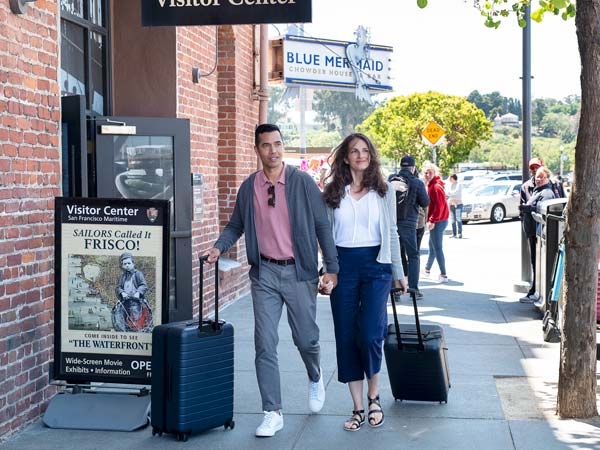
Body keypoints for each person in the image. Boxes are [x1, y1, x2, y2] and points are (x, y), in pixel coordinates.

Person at [204, 123, 339, 437]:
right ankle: (272, 411)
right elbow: (235, 225)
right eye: (266, 145)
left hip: (299, 271)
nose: (273, 150)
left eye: (278, 144)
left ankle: (315, 375)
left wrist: (331, 269)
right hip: (264, 273)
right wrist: (218, 247)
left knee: (306, 339)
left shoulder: (303, 182)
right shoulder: (249, 186)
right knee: (264, 342)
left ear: (283, 146)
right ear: (257, 149)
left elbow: (322, 227)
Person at [320, 133, 407, 431]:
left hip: (376, 267)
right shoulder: (332, 193)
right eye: (354, 151)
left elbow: (392, 232)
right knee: (346, 336)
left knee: (370, 334)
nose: (360, 155)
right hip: (342, 267)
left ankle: (374, 396)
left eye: (365, 151)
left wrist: (399, 273)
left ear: (371, 157)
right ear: (345, 157)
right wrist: (326, 271)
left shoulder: (384, 192)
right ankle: (358, 407)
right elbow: (325, 237)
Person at [388, 155, 430, 299]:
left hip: (392, 223)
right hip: (409, 225)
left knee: (396, 256)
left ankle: (396, 291)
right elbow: (425, 202)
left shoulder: (391, 179)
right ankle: (414, 289)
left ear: (401, 166)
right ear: (412, 168)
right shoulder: (417, 182)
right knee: (413, 255)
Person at [518, 166, 557, 303]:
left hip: (539, 235)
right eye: (537, 177)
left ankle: (536, 290)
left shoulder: (546, 193)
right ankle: (535, 290)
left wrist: (529, 209)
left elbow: (542, 210)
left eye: (542, 177)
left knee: (537, 262)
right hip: (533, 233)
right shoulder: (537, 190)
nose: (538, 179)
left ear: (547, 178)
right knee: (535, 262)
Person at [423, 162, 450, 283]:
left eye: (430, 172)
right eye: (426, 172)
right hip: (440, 220)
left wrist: (432, 220)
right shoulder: (433, 185)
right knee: (432, 246)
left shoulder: (435, 187)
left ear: (435, 173)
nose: (427, 174)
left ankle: (443, 275)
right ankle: (427, 269)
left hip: (438, 221)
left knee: (437, 248)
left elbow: (439, 206)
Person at [113, 252, 152, 332]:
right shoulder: (123, 276)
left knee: (135, 317)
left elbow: (143, 285)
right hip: (125, 301)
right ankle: (126, 330)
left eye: (129, 263)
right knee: (124, 317)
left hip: (136, 302)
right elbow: (118, 287)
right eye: (125, 264)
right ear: (122, 265)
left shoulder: (138, 274)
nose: (127, 265)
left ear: (133, 263)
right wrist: (122, 292)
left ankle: (137, 330)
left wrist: (138, 293)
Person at [446, 174, 464, 238]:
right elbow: (448, 194)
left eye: (450, 178)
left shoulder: (459, 184)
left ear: (453, 178)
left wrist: (449, 193)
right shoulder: (451, 185)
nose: (449, 180)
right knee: (453, 220)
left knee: (458, 219)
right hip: (451, 204)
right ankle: (454, 234)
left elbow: (455, 192)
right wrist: (448, 194)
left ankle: (460, 233)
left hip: (458, 204)